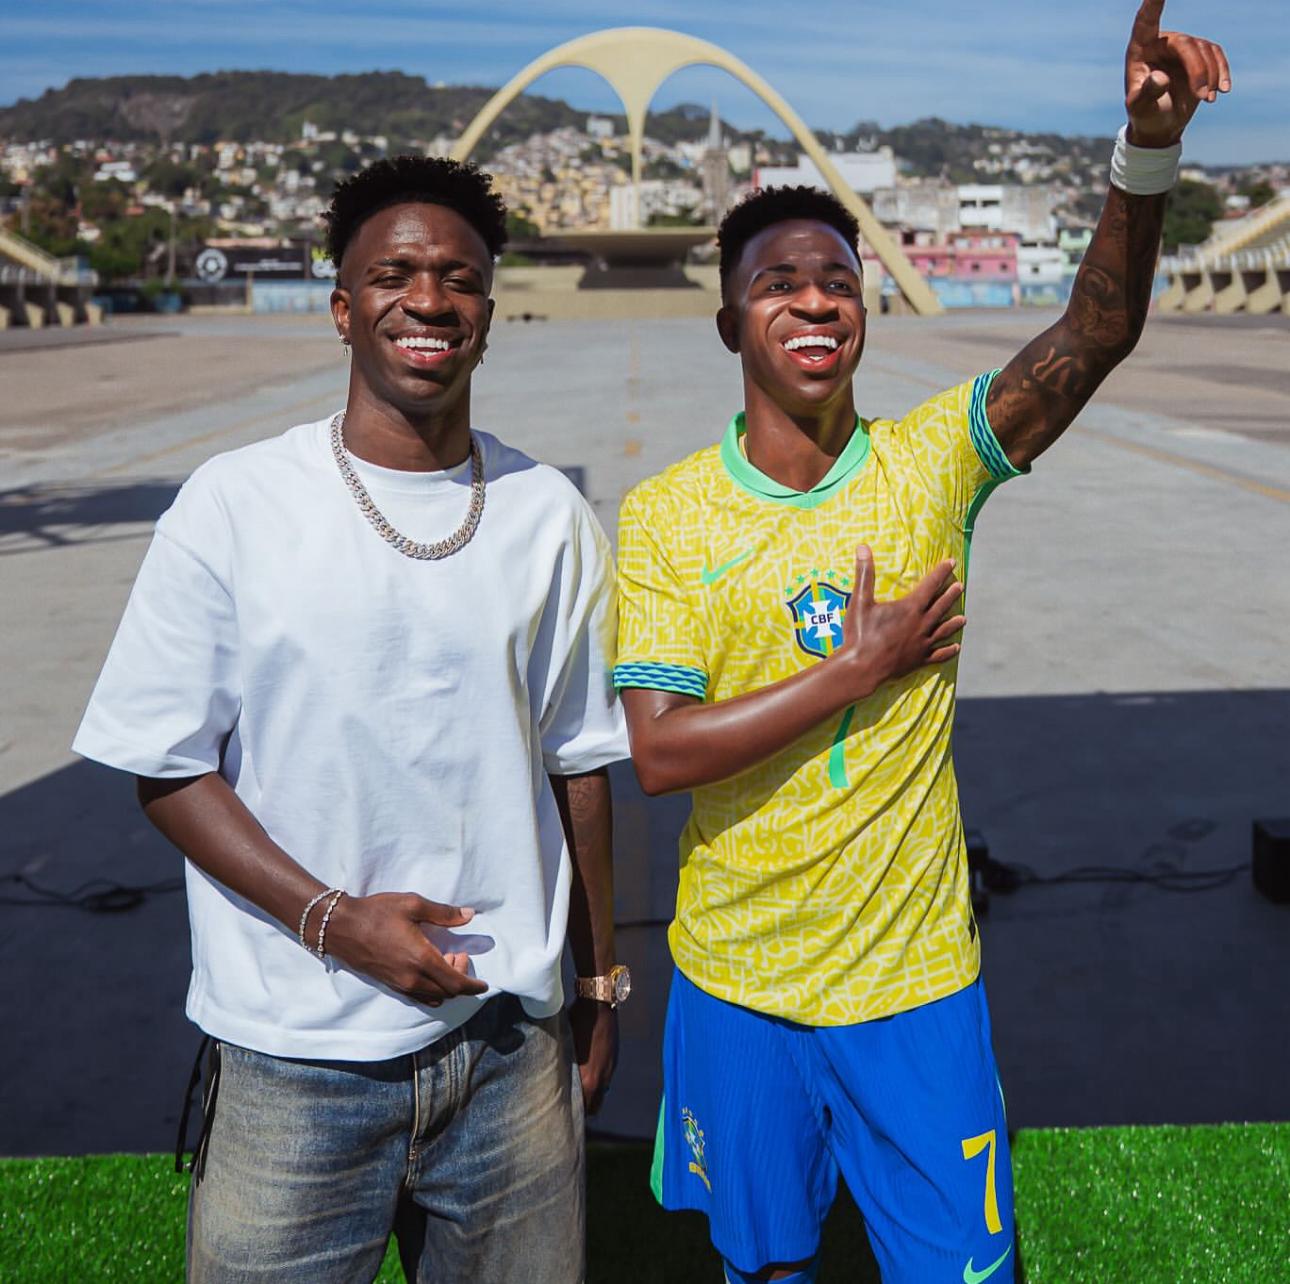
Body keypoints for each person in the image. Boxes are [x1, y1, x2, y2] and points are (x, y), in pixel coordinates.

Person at [613, 5, 1229, 1281]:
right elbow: (660, 757)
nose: (816, 299)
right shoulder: (669, 512)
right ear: (731, 324)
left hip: (915, 978)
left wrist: (1144, 152)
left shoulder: (930, 459)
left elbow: (1092, 337)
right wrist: (857, 670)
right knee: (764, 1268)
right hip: (740, 983)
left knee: (961, 1270)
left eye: (839, 278)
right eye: (777, 282)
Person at [73, 156, 630, 1283]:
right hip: (293, 1056)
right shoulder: (234, 505)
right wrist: (334, 919)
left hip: (506, 1047)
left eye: (460, 279)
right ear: (343, 308)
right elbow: (168, 768)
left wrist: (596, 987)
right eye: (396, 274)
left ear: (487, 314)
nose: (429, 300)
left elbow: (579, 764)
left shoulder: (549, 516)